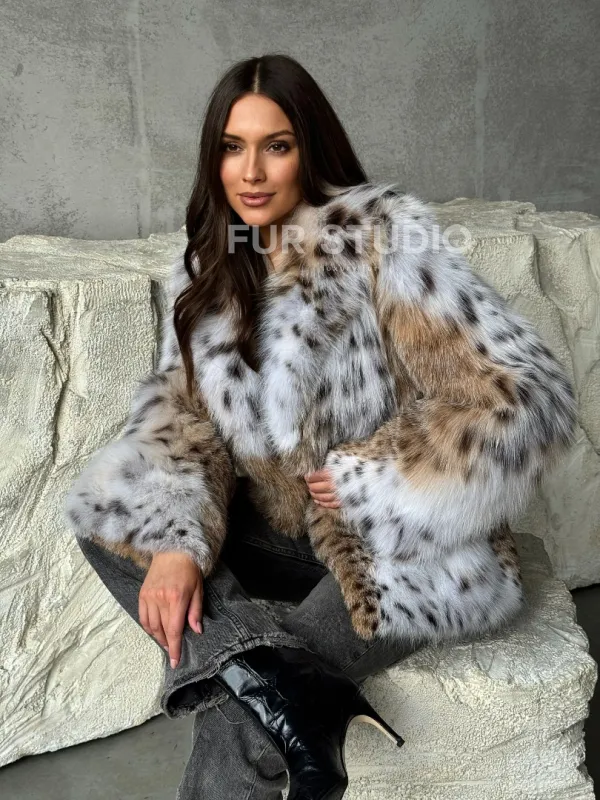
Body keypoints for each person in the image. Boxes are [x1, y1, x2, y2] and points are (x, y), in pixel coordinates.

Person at [64, 53, 577, 800]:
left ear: (310, 150)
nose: (251, 172)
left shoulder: (383, 241)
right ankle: (267, 670)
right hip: (284, 536)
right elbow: (185, 421)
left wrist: (377, 473)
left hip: (400, 547)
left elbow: (523, 394)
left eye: (276, 146)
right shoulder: (212, 263)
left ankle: (256, 677)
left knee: (241, 713)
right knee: (115, 516)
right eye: (232, 147)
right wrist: (174, 540)